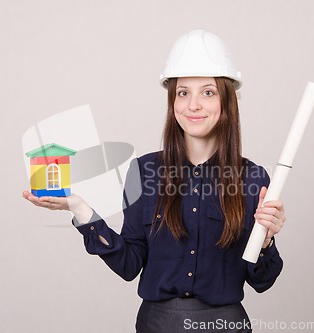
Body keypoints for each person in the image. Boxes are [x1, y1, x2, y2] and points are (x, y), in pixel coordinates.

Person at [23, 29, 285, 333]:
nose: (193, 105)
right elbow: (129, 265)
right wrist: (81, 211)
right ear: (172, 100)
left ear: (227, 102)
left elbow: (262, 281)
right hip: (157, 324)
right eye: (183, 92)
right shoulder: (144, 171)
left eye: (208, 92)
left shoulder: (252, 178)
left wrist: (265, 240)